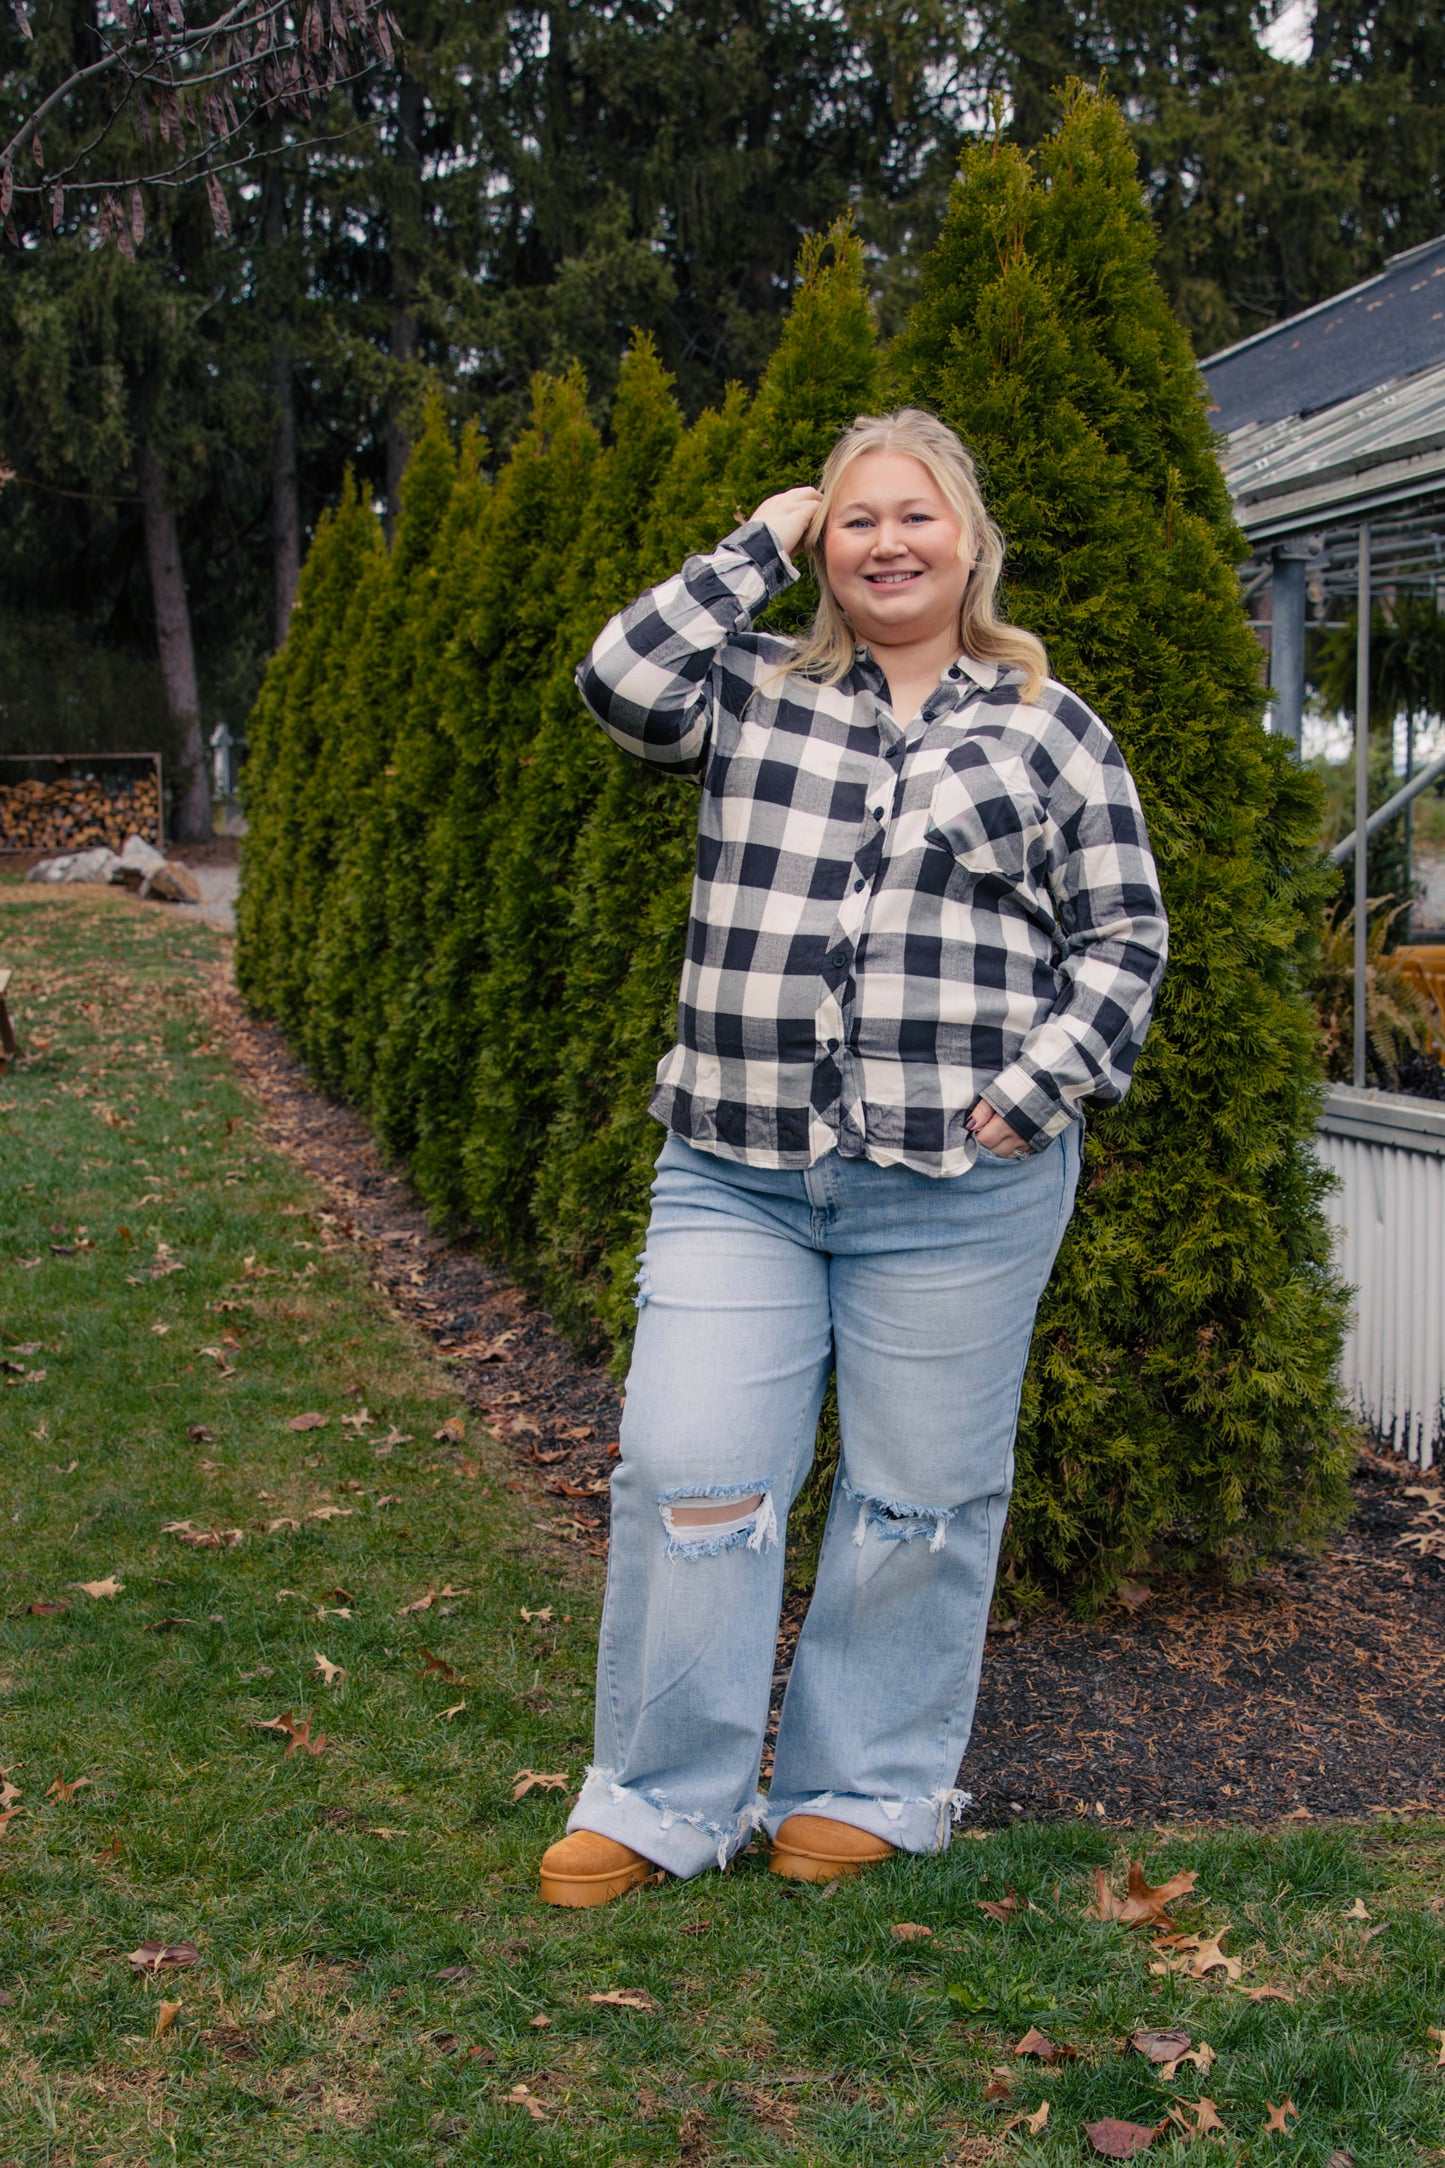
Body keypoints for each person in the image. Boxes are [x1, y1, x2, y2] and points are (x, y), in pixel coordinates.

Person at [538, 408, 1168, 1907]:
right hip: (734, 1172)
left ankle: (867, 1786)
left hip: (959, 1190)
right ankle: (657, 1802)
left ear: (969, 545)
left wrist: (1038, 1089)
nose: (889, 542)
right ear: (826, 544)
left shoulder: (1045, 725)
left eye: (917, 516)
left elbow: (1124, 933)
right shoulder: (749, 689)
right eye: (858, 518)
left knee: (916, 1499)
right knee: (692, 1471)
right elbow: (617, 683)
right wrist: (756, 537)